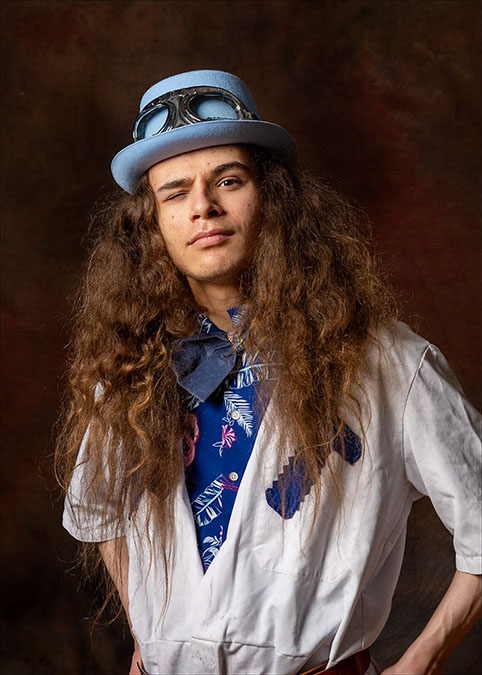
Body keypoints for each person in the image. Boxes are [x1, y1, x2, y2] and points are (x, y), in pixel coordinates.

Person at [56, 70, 481, 675]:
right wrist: (149, 636)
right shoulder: (130, 367)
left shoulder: (391, 365)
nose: (202, 207)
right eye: (174, 193)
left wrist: (424, 659)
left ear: (273, 198)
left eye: (228, 181)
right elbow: (100, 512)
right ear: (152, 225)